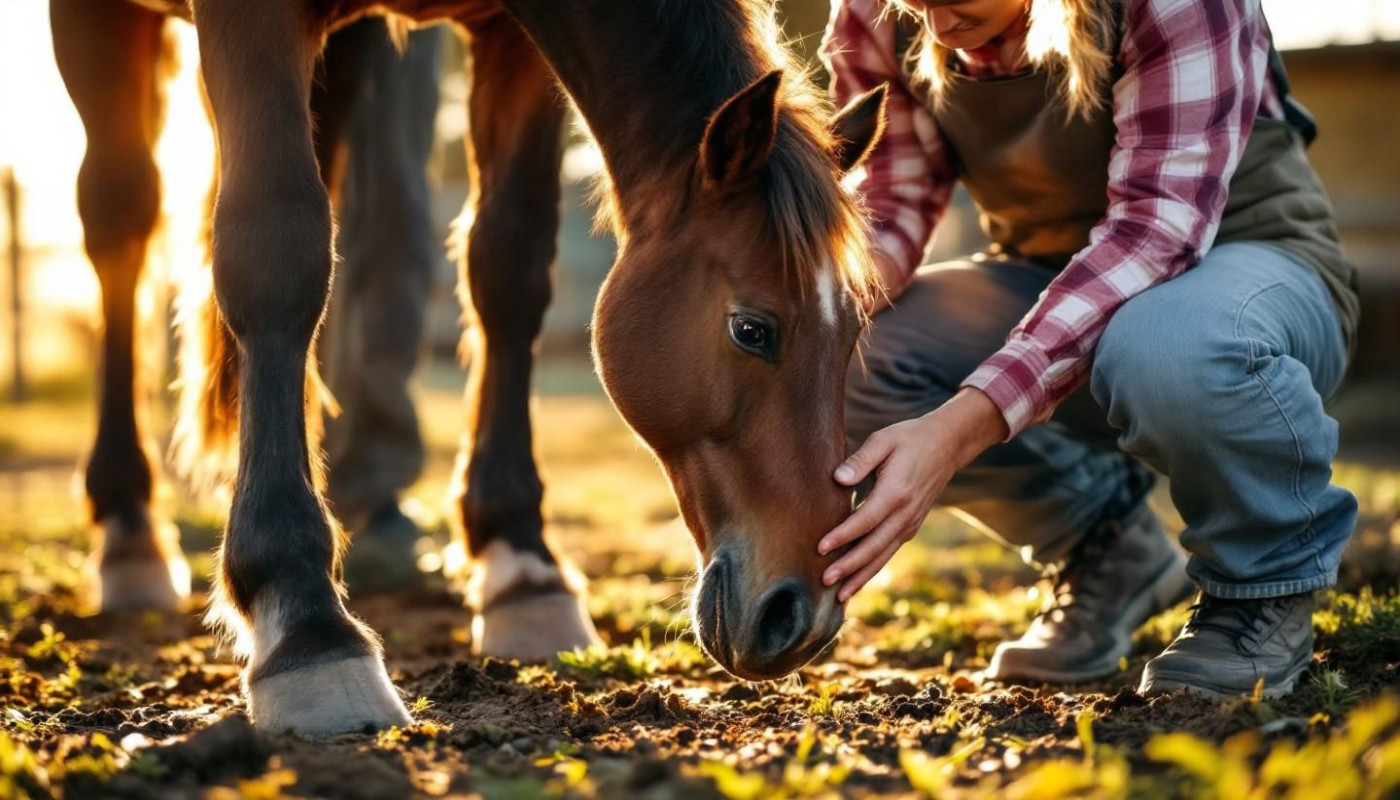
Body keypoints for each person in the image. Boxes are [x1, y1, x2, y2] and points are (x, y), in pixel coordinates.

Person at [819, 0, 1360, 698]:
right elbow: (892, 201)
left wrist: (958, 427)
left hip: (1248, 275)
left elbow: (1154, 235)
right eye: (915, 4)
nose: (938, 24)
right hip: (1049, 279)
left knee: (1166, 345)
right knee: (849, 357)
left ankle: (1263, 586)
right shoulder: (875, 15)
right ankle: (1107, 545)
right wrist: (811, 318)